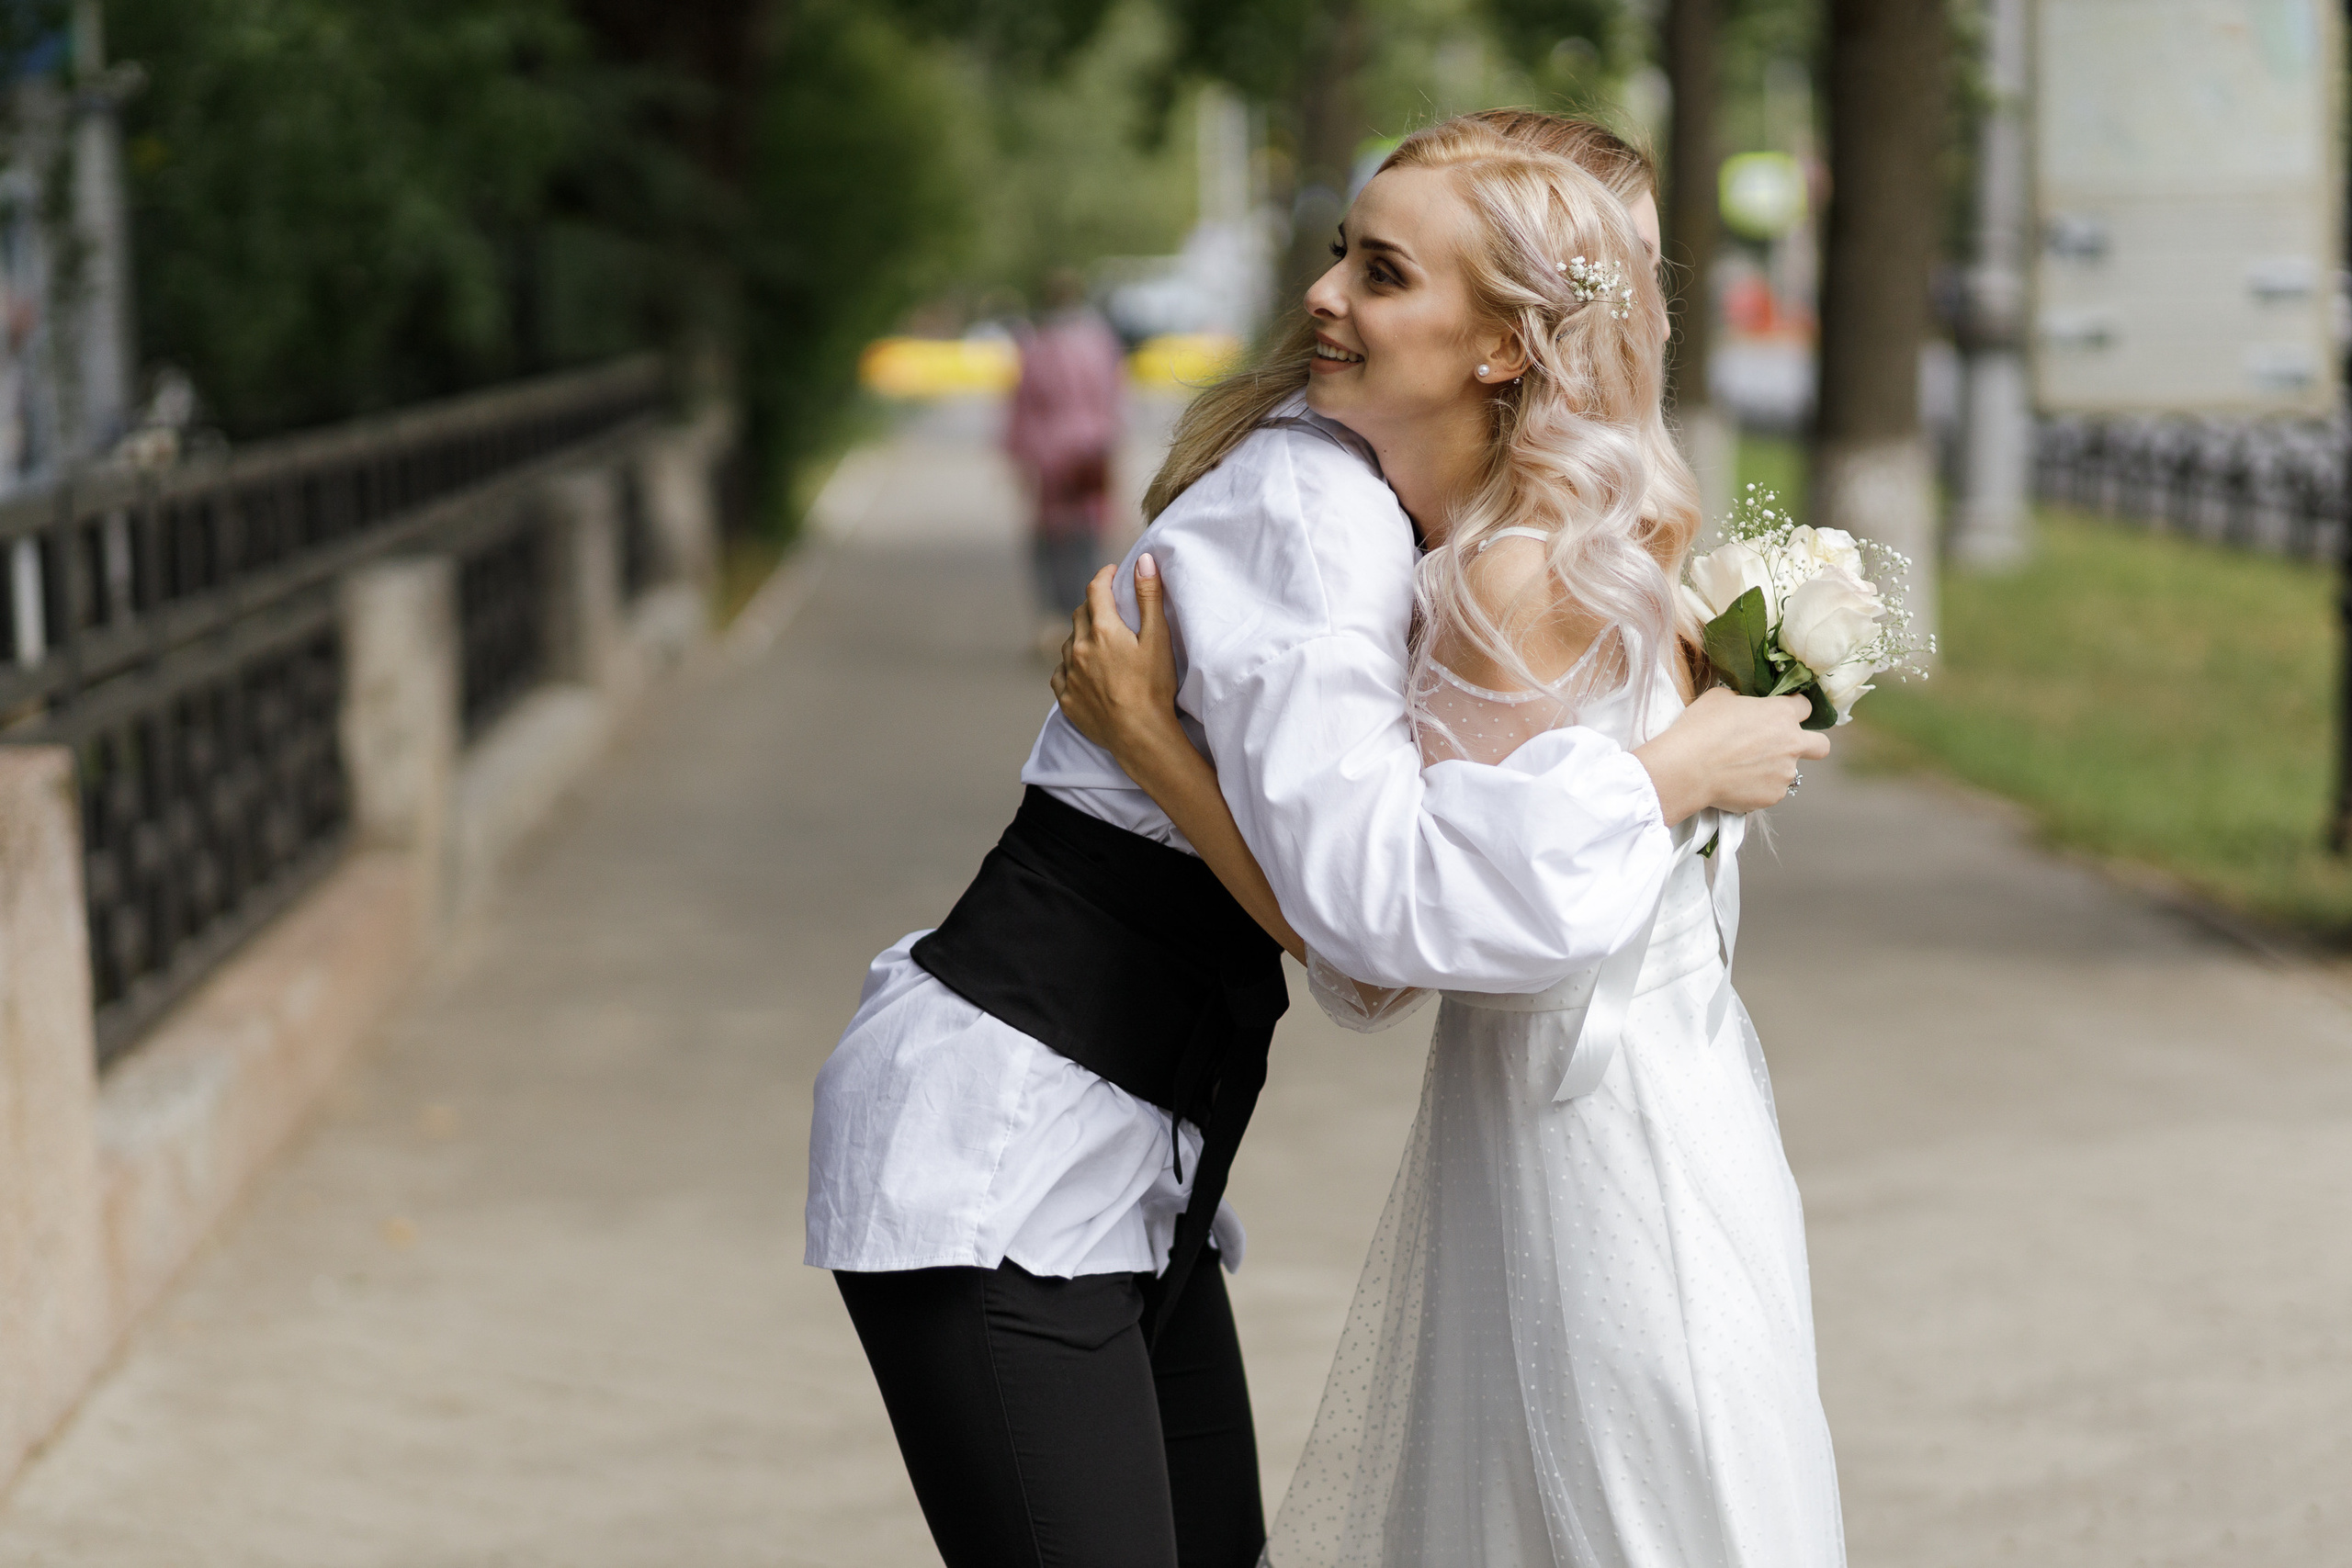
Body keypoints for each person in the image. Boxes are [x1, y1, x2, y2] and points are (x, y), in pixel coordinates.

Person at [805, 111, 1826, 1568]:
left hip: (1128, 1158)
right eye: (1344, 254)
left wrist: (1158, 743)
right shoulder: (1313, 507)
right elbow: (1372, 912)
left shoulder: (1420, 525)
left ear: (1499, 345)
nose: (1323, 295)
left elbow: (1375, 929)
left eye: (1380, 271)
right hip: (1000, 1148)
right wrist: (1663, 775)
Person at [1004, 267, 1127, 655]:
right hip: (1092, 447)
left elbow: (1022, 403)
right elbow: (1115, 397)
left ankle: (1053, 622)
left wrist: (1019, 458)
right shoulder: (1100, 342)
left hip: (1048, 451)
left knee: (1048, 541)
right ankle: (1088, 623)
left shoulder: (1036, 345)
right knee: (1087, 539)